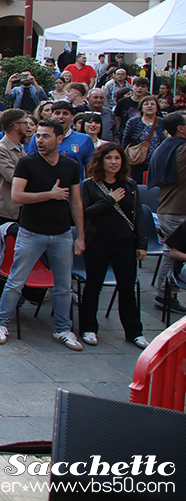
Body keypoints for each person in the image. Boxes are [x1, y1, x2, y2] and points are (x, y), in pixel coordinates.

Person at [0, 119, 85, 351]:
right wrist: (50, 195)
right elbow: (17, 196)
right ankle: (1, 324)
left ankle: (63, 329)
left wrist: (80, 236)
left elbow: (76, 203)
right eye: (38, 136)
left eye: (46, 136)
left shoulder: (71, 166)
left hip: (62, 234)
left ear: (60, 139)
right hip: (31, 232)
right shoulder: (27, 163)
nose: (40, 140)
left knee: (64, 286)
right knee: (16, 281)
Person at [79, 143, 148, 348]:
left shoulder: (130, 185)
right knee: (94, 285)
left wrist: (142, 243)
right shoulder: (89, 185)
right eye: (109, 158)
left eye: (117, 158)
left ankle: (134, 331)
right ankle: (88, 328)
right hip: (98, 241)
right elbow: (84, 213)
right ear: (101, 160)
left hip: (125, 242)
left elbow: (139, 215)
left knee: (127, 287)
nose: (114, 162)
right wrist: (109, 200)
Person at [147, 111, 186, 313]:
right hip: (176, 211)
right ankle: (165, 294)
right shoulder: (182, 148)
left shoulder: (165, 146)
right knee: (175, 254)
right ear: (181, 128)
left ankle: (165, 293)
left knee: (170, 253)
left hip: (169, 209)